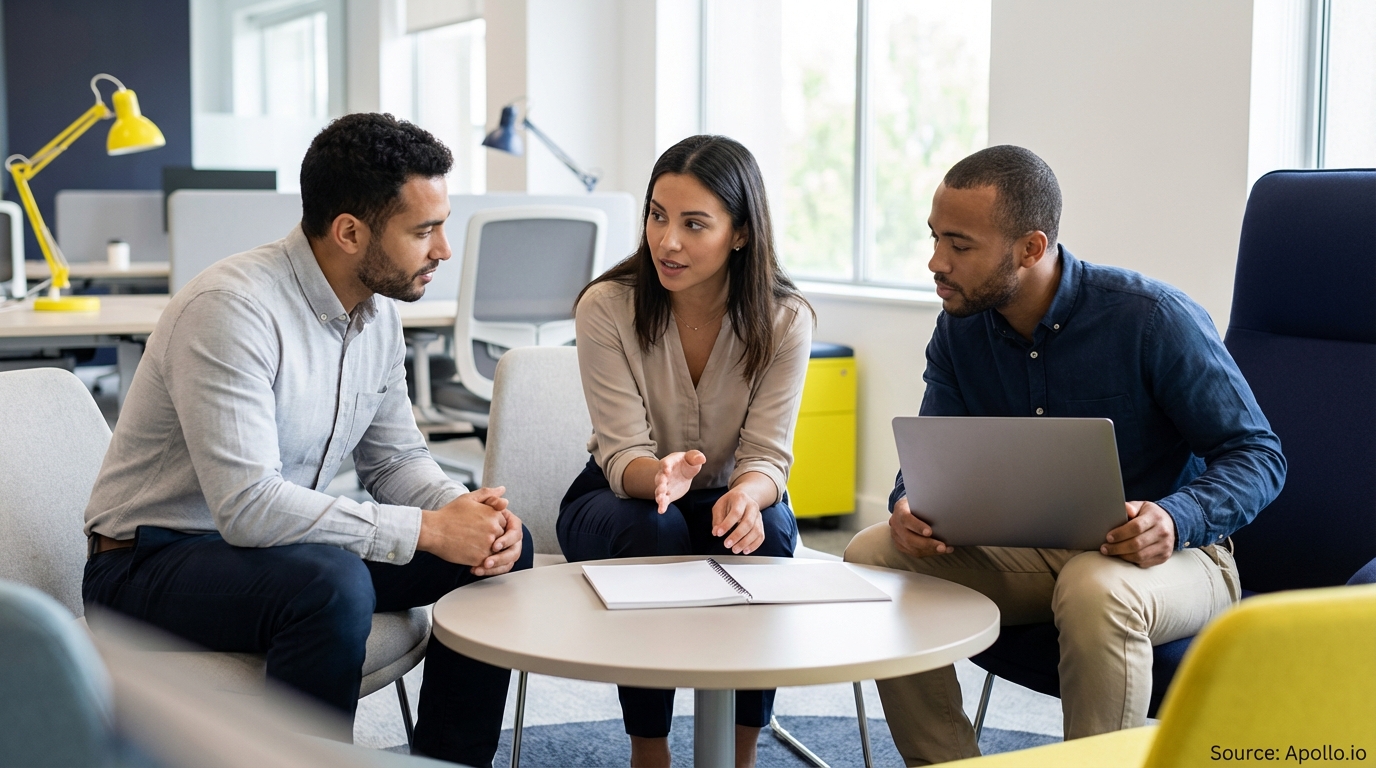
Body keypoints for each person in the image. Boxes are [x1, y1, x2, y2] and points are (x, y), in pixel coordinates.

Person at [83, 113, 531, 767]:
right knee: (331, 583)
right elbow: (248, 506)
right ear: (350, 231)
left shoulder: (376, 312)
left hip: (277, 553)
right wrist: (427, 531)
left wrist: (469, 516)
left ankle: (449, 760)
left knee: (499, 553)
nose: (444, 250)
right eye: (424, 230)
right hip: (149, 563)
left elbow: (397, 458)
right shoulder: (232, 309)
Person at [844, 145, 1286, 766]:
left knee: (1094, 586)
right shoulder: (960, 327)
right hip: (1031, 552)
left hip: (1182, 558)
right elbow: (931, 447)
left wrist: (1176, 517)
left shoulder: (1152, 319)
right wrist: (907, 503)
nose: (936, 262)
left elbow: (1259, 455)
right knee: (872, 554)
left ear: (1030, 248)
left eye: (960, 245)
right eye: (935, 237)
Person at [557, 135, 813, 768]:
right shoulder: (606, 307)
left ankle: (739, 751)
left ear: (741, 234)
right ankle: (651, 749)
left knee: (772, 533)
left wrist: (749, 499)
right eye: (656, 215)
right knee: (654, 528)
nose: (666, 241)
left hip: (728, 492)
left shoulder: (785, 319)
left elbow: (768, 457)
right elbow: (622, 455)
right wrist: (661, 477)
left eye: (694, 224)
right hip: (620, 498)